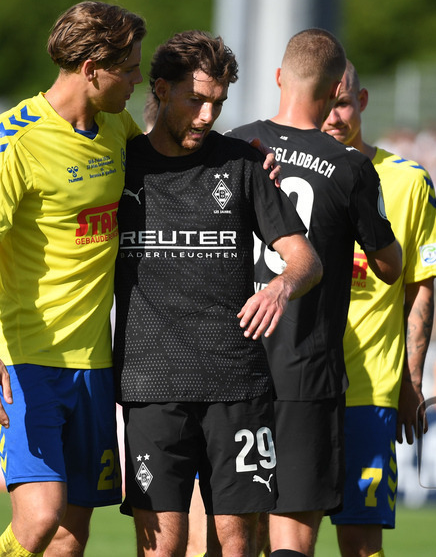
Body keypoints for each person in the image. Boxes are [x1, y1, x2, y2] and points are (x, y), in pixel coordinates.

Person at [114, 30, 323, 557]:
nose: (207, 115)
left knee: (237, 541)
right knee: (162, 546)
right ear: (161, 89)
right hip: (149, 382)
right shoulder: (118, 164)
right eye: (196, 100)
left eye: (218, 102)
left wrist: (281, 286)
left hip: (237, 383)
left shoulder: (243, 163)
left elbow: (306, 259)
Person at [0, 1, 147, 557]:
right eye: (129, 69)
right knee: (40, 517)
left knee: (70, 532)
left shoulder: (118, 125)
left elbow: (170, 163)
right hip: (26, 360)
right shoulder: (10, 140)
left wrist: (244, 157)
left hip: (94, 362)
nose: (137, 80)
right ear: (91, 69)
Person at [230, 29, 403, 557]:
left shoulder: (235, 145)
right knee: (292, 536)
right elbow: (390, 267)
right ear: (334, 93)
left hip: (231, 367)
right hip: (306, 373)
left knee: (228, 535)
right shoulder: (351, 167)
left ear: (278, 78)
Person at [320, 61, 436, 557]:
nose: (334, 117)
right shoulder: (282, 170)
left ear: (363, 101)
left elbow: (421, 289)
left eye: (343, 103)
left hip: (370, 389)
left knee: (360, 543)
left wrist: (411, 382)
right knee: (274, 534)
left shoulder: (409, 180)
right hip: (295, 388)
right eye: (325, 104)